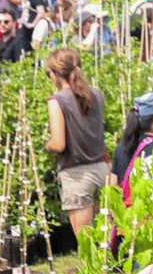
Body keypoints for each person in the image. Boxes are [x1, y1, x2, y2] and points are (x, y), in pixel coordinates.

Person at [44, 47, 110, 237]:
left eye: (49, 73)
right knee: (105, 237)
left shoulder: (57, 101)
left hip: (77, 176)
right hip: (102, 170)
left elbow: (59, 144)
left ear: (57, 74)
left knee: (86, 241)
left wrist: (46, 145)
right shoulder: (96, 95)